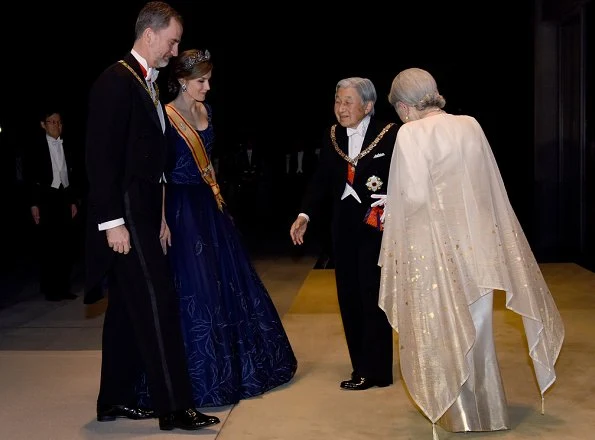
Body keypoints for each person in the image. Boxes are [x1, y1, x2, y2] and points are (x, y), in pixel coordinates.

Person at [378, 67, 564, 437]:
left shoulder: (410, 134)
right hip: (480, 245)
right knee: (478, 329)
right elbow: (486, 183)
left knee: (443, 326)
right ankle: (490, 411)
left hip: (437, 248)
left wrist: (391, 205)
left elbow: (413, 197)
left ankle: (460, 414)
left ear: (404, 106)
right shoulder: (471, 125)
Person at [84, 1, 219, 431]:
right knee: (160, 304)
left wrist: (159, 214)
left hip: (143, 212)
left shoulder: (146, 83)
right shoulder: (115, 81)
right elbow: (100, 159)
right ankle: (176, 408)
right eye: (172, 40)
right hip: (125, 215)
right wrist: (112, 223)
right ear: (149, 34)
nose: (175, 48)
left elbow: (151, 156)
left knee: (125, 308)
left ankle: (113, 399)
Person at [152, 48, 297, 407]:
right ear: (183, 82)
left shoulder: (206, 111)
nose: (207, 86)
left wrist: (219, 197)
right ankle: (199, 377)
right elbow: (158, 175)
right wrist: (161, 219)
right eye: (201, 81)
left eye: (209, 79)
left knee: (227, 283)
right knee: (196, 290)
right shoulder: (165, 116)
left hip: (208, 205)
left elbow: (208, 163)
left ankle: (235, 369)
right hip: (181, 209)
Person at [290, 77, 398, 390]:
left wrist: (396, 198)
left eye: (348, 101)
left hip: (376, 226)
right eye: (338, 101)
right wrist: (304, 214)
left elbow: (407, 173)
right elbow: (321, 179)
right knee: (349, 296)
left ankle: (379, 369)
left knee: (373, 296)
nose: (341, 108)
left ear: (367, 105)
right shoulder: (332, 135)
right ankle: (361, 368)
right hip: (343, 228)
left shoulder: (389, 134)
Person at [24, 109, 79, 301]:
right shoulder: (34, 147)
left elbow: (70, 174)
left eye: (59, 122)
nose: (56, 126)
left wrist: (72, 200)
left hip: (63, 196)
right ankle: (50, 289)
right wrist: (33, 204)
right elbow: (29, 178)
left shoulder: (67, 145)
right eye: (52, 122)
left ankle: (64, 287)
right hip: (45, 198)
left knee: (65, 245)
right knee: (49, 246)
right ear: (43, 125)